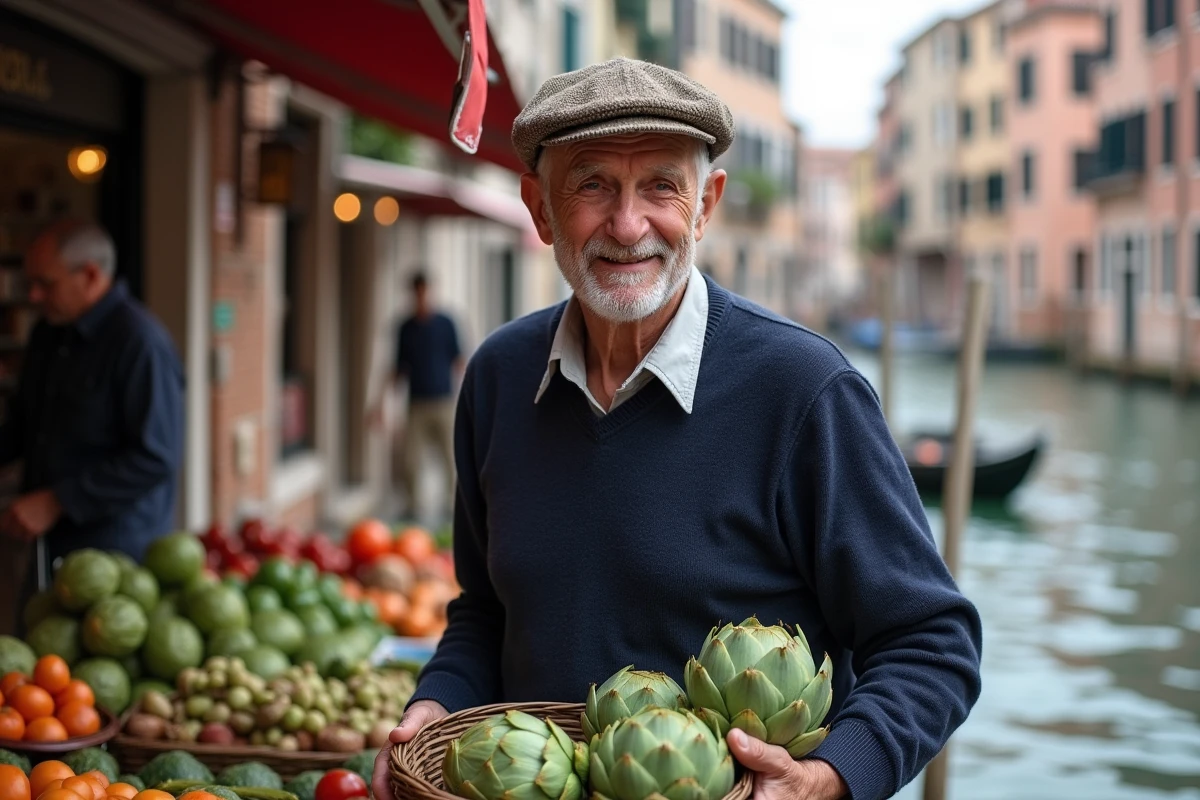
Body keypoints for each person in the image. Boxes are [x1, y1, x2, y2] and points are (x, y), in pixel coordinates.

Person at [372, 58, 982, 800]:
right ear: (540, 209)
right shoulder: (497, 378)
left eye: (661, 184)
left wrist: (826, 779)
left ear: (706, 205)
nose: (628, 226)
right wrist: (435, 703)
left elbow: (932, 643)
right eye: (591, 184)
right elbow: (487, 611)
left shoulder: (805, 390)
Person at [0, 219, 184, 581]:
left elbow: (155, 456)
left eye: (45, 284)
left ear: (90, 275)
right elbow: (25, 427)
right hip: (48, 545)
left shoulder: (140, 343)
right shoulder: (48, 334)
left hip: (116, 555)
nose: (34, 296)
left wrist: (57, 501)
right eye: (30, 283)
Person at [372, 272, 464, 524]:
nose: (422, 296)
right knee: (410, 459)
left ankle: (453, 506)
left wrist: (469, 397)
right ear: (412, 293)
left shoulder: (446, 323)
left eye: (425, 291)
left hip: (443, 402)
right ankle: (413, 507)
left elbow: (459, 361)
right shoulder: (405, 327)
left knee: (450, 456)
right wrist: (381, 402)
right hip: (416, 404)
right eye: (417, 292)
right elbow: (397, 368)